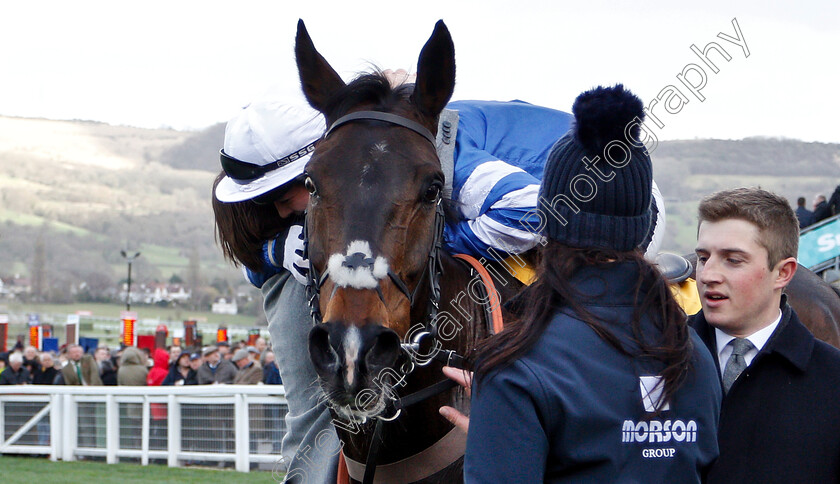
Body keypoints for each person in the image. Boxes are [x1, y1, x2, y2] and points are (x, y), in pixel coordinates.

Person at [212, 83, 668, 481]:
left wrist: (422, 240)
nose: (276, 210)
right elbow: (261, 261)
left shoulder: (422, 153)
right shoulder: (370, 149)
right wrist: (275, 251)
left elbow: (531, 212)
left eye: (283, 192)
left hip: (605, 199)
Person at [463, 85, 720, 483]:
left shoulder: (517, 366)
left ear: (548, 220)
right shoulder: (694, 353)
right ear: (643, 225)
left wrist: (497, 429)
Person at [689, 187, 840, 482]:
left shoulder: (833, 379)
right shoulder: (652, 358)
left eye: (733, 260)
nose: (707, 275)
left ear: (783, 273)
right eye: (704, 258)